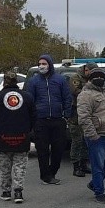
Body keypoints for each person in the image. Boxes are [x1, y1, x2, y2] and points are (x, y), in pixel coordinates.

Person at [0, 69, 36, 203]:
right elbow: (33, 117)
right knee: (20, 166)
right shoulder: (27, 97)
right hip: (21, 137)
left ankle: (6, 191)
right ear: (17, 82)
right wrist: (27, 130)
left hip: (3, 138)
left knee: (4, 167)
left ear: (4, 81)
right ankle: (18, 191)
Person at [25, 54, 73, 185]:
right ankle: (45, 176)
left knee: (58, 148)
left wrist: (66, 114)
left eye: (44, 64)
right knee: (42, 150)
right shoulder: (33, 81)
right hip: (41, 121)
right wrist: (32, 118)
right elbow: (29, 100)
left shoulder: (60, 80)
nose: (41, 66)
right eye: (40, 64)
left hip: (58, 119)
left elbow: (67, 97)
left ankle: (52, 171)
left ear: (50, 65)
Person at [77, 68, 105, 203]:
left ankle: (94, 183)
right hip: (97, 136)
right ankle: (99, 192)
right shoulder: (85, 95)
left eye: (101, 76)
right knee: (98, 165)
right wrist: (93, 135)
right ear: (90, 79)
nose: (99, 79)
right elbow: (84, 117)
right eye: (95, 76)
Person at [69, 62, 97, 177]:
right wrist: (90, 93)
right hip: (76, 111)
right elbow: (75, 91)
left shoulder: (93, 79)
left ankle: (84, 164)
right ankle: (76, 166)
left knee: (86, 139)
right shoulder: (76, 78)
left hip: (89, 111)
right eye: (88, 71)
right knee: (77, 140)